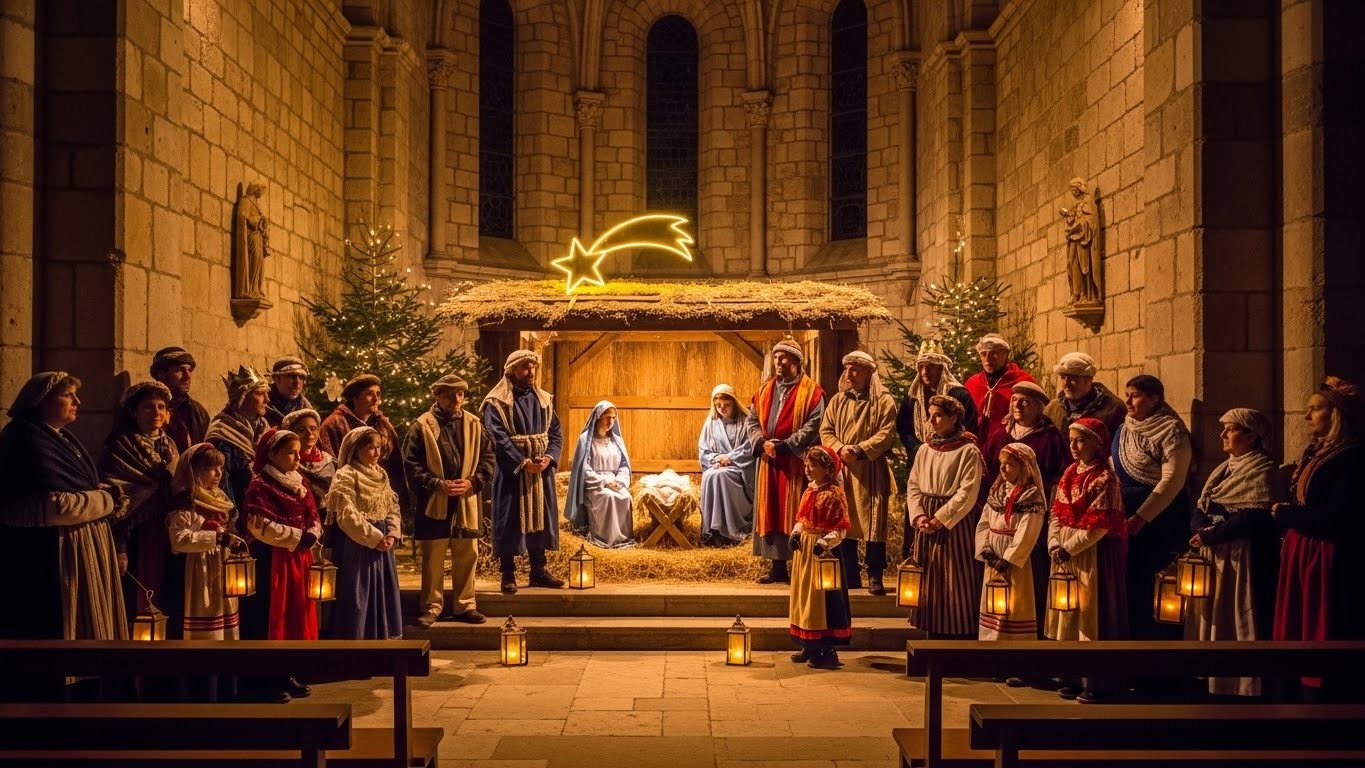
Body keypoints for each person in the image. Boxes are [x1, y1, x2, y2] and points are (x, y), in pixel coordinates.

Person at [0, 372, 128, 645]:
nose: (77, 401)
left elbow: (77, 487)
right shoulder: (26, 440)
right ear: (42, 401)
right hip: (49, 557)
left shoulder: (62, 438)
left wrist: (96, 494)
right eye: (67, 395)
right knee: (59, 632)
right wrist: (106, 500)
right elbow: (53, 505)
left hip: (80, 554)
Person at [1273, 376, 1365, 700]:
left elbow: (1339, 515)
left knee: (1322, 625)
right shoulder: (1317, 452)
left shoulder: (1352, 459)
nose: (1306, 416)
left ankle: (1324, 700)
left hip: (1327, 557)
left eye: (1315, 409)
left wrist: (1287, 515)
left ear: (1336, 414)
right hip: (1304, 552)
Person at [1185, 408, 1282, 697]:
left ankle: (1239, 684)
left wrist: (1209, 534)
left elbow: (1254, 516)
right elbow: (1202, 505)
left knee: (1237, 615)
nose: (1223, 435)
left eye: (1231, 429)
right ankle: (1208, 677)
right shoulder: (1223, 469)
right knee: (1213, 615)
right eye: (1223, 428)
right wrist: (1200, 528)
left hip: (1241, 558)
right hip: (1215, 553)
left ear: (1251, 436)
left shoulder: (1262, 470)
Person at [1046, 417, 1127, 702]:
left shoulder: (1106, 478)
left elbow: (1099, 524)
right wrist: (1055, 543)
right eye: (1072, 441)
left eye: (1081, 440)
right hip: (1066, 551)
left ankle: (1098, 679)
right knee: (1068, 614)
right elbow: (1056, 512)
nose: (1074, 446)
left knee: (1093, 613)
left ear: (1097, 443)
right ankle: (1070, 674)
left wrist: (1069, 547)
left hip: (1093, 553)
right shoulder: (1069, 473)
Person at [403, 375, 494, 627]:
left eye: (460, 394)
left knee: (468, 553)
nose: (456, 400)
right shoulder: (422, 426)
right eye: (449, 394)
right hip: (434, 501)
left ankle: (465, 604)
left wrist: (473, 482)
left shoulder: (474, 424)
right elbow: (411, 464)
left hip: (465, 499)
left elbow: (488, 458)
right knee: (433, 556)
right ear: (438, 396)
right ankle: (432, 605)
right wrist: (437, 484)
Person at [982, 380, 1069, 638]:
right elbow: (989, 469)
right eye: (1014, 400)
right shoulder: (1001, 434)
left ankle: (1029, 638)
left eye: (1025, 401)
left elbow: (1058, 474)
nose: (1018, 405)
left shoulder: (1050, 437)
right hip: (1001, 517)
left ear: (1039, 407)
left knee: (1030, 582)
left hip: (1033, 517)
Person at [1112, 374, 1192, 641]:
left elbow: (1172, 479)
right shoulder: (1125, 428)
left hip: (1160, 521)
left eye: (1134, 395)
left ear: (1155, 397)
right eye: (1127, 394)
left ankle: (1159, 661)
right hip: (1125, 518)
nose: (1128, 400)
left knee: (1157, 589)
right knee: (1130, 586)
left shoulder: (1171, 431)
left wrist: (1142, 517)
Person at [242, 428, 320, 700]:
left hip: (298, 558)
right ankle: (266, 678)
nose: (297, 458)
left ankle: (288, 671)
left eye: (299, 452)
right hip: (273, 560)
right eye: (290, 452)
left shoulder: (300, 483)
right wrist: (299, 537)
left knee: (296, 615)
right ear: (272, 454)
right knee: (275, 618)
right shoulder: (261, 485)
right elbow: (260, 526)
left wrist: (313, 534)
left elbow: (313, 516)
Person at [481, 350, 565, 594]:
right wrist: (522, 462)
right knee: (510, 520)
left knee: (540, 517)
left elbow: (556, 432)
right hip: (513, 472)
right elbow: (498, 438)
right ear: (511, 371)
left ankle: (538, 570)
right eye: (525, 368)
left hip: (540, 470)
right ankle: (508, 573)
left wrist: (549, 458)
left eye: (533, 367)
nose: (530, 373)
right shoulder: (496, 403)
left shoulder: (544, 400)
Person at [745, 341, 826, 584]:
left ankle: (800, 567)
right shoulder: (764, 390)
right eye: (776, 358)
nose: (778, 362)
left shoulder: (812, 392)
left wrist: (786, 445)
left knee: (795, 513)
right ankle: (777, 567)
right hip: (770, 462)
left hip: (797, 462)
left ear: (796, 361)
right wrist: (761, 443)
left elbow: (814, 423)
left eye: (784, 358)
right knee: (772, 510)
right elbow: (752, 420)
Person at [820, 351, 898, 595]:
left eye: (856, 369)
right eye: (848, 369)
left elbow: (886, 432)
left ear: (868, 373)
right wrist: (840, 448)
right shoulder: (838, 400)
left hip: (870, 470)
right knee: (847, 521)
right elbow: (826, 429)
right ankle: (850, 573)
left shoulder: (883, 400)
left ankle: (875, 574)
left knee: (873, 524)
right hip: (843, 470)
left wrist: (861, 449)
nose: (850, 374)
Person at [905, 395, 984, 638]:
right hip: (925, 519)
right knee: (929, 579)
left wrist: (940, 519)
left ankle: (957, 635)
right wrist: (919, 516)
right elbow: (914, 484)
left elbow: (967, 491)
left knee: (954, 579)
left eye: (938, 415)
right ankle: (931, 634)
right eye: (930, 415)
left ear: (954, 418)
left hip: (953, 523)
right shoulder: (925, 449)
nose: (932, 420)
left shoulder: (968, 450)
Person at [100, 381, 179, 619]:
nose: (156, 412)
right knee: (140, 593)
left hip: (168, 529)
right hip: (136, 532)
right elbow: (119, 492)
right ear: (134, 412)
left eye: (161, 407)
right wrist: (120, 547)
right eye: (148, 407)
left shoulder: (170, 445)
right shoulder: (120, 446)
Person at [895, 339, 977, 561]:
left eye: (931, 366)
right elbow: (903, 428)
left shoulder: (959, 394)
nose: (925, 371)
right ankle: (914, 558)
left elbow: (969, 425)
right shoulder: (912, 397)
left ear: (942, 368)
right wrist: (917, 448)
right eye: (921, 366)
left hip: (952, 458)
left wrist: (948, 446)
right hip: (922, 455)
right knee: (918, 505)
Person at [326, 427, 403, 640]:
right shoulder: (347, 475)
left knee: (383, 592)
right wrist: (375, 538)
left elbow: (391, 506)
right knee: (358, 594)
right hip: (358, 545)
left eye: (378, 447)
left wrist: (392, 533)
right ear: (355, 450)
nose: (376, 453)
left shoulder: (380, 474)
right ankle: (357, 645)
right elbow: (347, 515)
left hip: (382, 545)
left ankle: (382, 642)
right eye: (370, 448)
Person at [165, 443, 240, 641]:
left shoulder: (220, 498)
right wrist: (217, 538)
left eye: (221, 468)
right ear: (194, 470)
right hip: (195, 570)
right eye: (210, 468)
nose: (218, 474)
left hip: (218, 568)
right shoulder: (185, 500)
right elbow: (179, 539)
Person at [787, 445, 852, 670]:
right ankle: (809, 645)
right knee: (805, 597)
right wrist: (796, 533)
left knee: (824, 601)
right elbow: (803, 517)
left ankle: (826, 648)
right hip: (805, 551)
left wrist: (824, 543)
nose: (807, 469)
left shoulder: (835, 493)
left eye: (813, 465)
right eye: (806, 464)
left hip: (824, 554)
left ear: (827, 468)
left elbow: (841, 528)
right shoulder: (810, 489)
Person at [976, 443, 1046, 643]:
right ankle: (991, 650)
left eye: (1009, 465)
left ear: (1023, 466)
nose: (1003, 469)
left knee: (1015, 605)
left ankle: (1015, 653)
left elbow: (1028, 530)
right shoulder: (997, 490)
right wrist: (986, 550)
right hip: (994, 556)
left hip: (1015, 562)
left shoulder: (1031, 495)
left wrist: (1008, 559)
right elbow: (984, 523)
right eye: (1001, 464)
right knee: (993, 603)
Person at [318, 373, 405, 510]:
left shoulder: (381, 424)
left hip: (379, 494)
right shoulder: (334, 424)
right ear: (354, 397)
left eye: (378, 394)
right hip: (350, 498)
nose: (376, 399)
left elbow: (392, 462)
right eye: (369, 394)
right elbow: (330, 464)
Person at [565, 401, 635, 549]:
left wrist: (620, 482)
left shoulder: (617, 441)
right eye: (607, 417)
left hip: (615, 482)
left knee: (625, 496)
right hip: (595, 484)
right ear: (598, 417)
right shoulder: (586, 441)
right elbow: (584, 469)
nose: (611, 421)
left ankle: (622, 539)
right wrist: (604, 482)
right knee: (608, 497)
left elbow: (624, 466)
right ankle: (604, 538)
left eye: (613, 418)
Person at [205, 365, 271, 510]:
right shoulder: (222, 433)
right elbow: (221, 482)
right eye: (260, 393)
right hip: (238, 506)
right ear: (243, 397)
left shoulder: (264, 428)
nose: (267, 399)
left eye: (267, 393)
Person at [698, 384, 755, 546]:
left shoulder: (746, 420)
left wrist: (729, 458)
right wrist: (717, 459)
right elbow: (703, 450)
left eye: (726, 405)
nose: (722, 409)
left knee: (720, 476)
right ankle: (711, 530)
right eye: (718, 406)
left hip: (739, 468)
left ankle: (729, 530)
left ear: (734, 403)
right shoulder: (711, 422)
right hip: (717, 465)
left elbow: (750, 448)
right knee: (710, 475)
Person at [963, 333, 1035, 447]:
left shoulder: (1023, 381)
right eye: (983, 354)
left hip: (1011, 445)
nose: (988, 359)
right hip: (977, 445)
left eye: (993, 353)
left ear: (1005, 354)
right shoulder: (972, 383)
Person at [1042, 352, 1125, 436]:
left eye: (1073, 378)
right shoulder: (1052, 409)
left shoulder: (1113, 409)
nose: (1066, 383)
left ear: (1088, 379)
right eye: (1063, 377)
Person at [150, 346, 210, 453]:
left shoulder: (198, 412)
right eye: (180, 370)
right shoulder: (147, 410)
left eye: (189, 370)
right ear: (161, 374)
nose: (188, 376)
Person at [282, 409, 335, 518]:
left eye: (313, 428)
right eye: (302, 429)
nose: (309, 433)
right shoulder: (286, 464)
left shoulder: (330, 461)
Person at [265, 356, 314, 427]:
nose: (297, 382)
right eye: (291, 376)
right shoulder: (263, 404)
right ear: (277, 379)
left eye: (301, 377)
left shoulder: (305, 407)